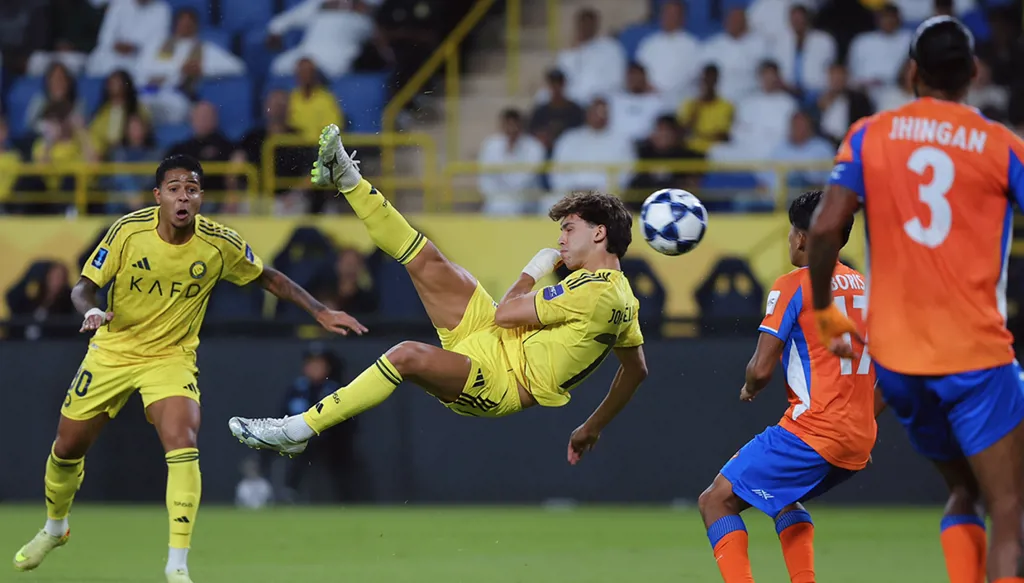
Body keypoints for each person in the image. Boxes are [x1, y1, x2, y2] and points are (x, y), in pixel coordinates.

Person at [11, 154, 368, 583]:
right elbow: (83, 286)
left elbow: (268, 277)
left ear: (201, 197)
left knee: (183, 442)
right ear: (158, 195)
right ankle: (55, 528)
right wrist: (90, 311)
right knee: (67, 449)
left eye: (193, 189)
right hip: (113, 351)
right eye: (175, 188)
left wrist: (319, 310)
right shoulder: (128, 231)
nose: (184, 197)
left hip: (170, 358)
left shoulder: (219, 244)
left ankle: (177, 565)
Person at [229, 124, 648, 465]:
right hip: (491, 338)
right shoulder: (620, 297)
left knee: (406, 355)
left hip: (501, 380)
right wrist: (592, 426)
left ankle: (297, 430)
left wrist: (533, 270)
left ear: (599, 232)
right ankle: (349, 180)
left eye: (568, 229)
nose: (559, 240)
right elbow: (636, 370)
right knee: (430, 261)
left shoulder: (592, 292)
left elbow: (506, 314)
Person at [808, 16, 1024, 583]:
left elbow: (827, 227)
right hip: (976, 355)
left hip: (898, 360)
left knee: (962, 488)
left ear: (912, 72)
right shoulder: (1002, 146)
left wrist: (827, 308)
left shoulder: (868, 134)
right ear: (973, 73)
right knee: (1010, 508)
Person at [698, 190, 882, 583]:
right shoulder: (868, 289)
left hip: (814, 430)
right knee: (784, 499)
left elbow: (761, 369)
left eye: (791, 231)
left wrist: (750, 387)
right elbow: (891, 372)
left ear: (802, 238)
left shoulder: (793, 284)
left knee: (716, 500)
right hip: (859, 437)